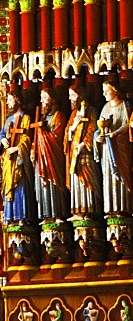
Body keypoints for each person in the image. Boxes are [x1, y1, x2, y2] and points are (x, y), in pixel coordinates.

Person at [95, 79, 132, 215]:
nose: (104, 94)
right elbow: (99, 128)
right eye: (103, 91)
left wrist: (116, 133)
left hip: (119, 146)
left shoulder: (125, 106)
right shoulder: (105, 107)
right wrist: (98, 137)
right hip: (107, 147)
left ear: (115, 90)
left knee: (120, 174)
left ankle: (122, 208)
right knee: (108, 175)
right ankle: (110, 208)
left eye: (107, 90)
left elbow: (128, 124)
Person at [64, 84, 102, 216]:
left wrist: (83, 144)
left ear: (80, 95)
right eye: (69, 96)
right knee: (76, 180)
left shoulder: (91, 110)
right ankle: (78, 211)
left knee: (88, 178)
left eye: (73, 95)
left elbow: (92, 129)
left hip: (85, 152)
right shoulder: (74, 114)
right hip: (74, 152)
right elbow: (68, 133)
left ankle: (90, 210)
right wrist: (72, 128)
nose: (71, 99)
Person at [0, 91, 35, 224]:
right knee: (9, 185)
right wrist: (2, 141)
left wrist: (17, 148)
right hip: (9, 158)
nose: (7, 103)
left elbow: (27, 138)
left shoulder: (26, 118)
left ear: (17, 100)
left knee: (20, 185)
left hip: (19, 158)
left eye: (10, 100)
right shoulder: (9, 120)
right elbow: (1, 134)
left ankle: (22, 217)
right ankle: (11, 217)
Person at [33, 86, 69, 221]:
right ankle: (46, 214)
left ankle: (57, 213)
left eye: (45, 98)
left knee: (54, 182)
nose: (42, 101)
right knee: (42, 184)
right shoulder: (41, 117)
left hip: (53, 155)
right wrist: (33, 149)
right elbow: (35, 137)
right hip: (40, 155)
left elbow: (57, 136)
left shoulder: (59, 115)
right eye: (41, 98)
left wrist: (42, 131)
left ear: (52, 100)